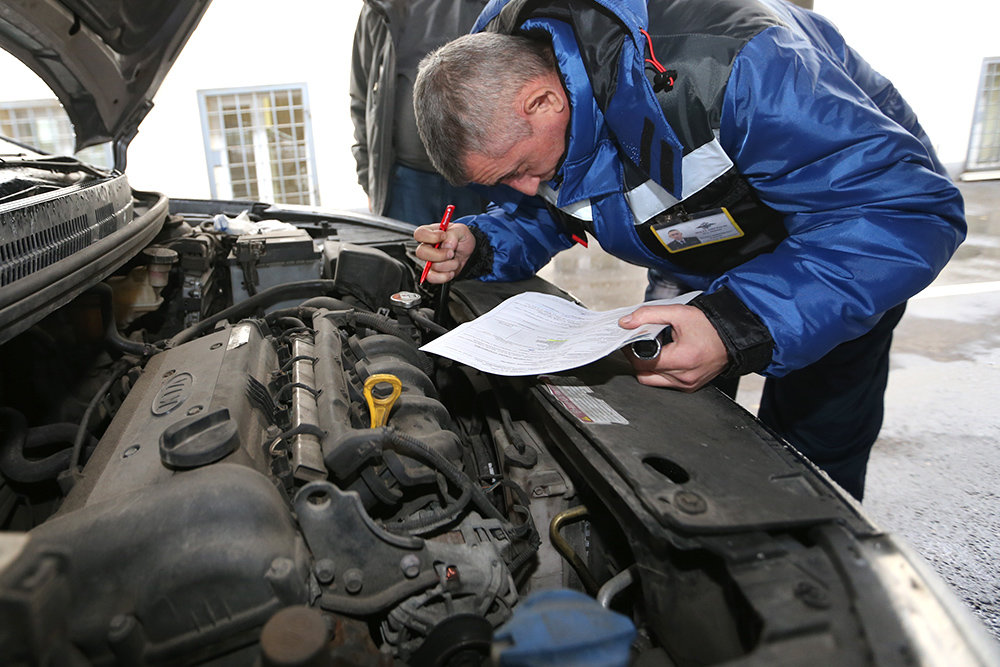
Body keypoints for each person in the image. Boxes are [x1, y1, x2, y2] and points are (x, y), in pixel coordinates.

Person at [409, 0, 966, 501]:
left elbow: (901, 214)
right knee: (680, 425)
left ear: (544, 100)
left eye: (522, 171)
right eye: (505, 182)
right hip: (693, 255)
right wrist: (480, 243)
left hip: (833, 252)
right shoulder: (541, 107)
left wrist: (739, 324)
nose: (528, 188)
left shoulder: (738, 69)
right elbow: (565, 205)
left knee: (812, 452)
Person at [349, 0, 488, 224]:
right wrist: (369, 178)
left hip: (479, 177)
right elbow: (362, 96)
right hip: (403, 181)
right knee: (404, 258)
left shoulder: (489, 5)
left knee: (480, 255)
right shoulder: (379, 7)